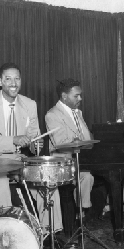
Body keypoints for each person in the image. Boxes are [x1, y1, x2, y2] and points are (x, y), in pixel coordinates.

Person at [0, 62, 63, 232]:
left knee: (47, 180)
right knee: (1, 183)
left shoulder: (30, 105)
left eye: (17, 79)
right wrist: (13, 140)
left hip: (17, 160)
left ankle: (50, 232)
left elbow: (34, 136)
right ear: (0, 81)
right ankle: (5, 233)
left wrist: (36, 145)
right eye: (8, 79)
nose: (13, 83)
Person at [45, 78, 96, 238]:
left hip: (80, 161)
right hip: (62, 164)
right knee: (86, 176)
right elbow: (60, 143)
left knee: (88, 176)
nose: (80, 99)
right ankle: (80, 216)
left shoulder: (78, 113)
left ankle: (81, 215)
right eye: (76, 96)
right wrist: (80, 142)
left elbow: (87, 139)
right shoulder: (52, 115)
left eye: (80, 95)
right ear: (64, 96)